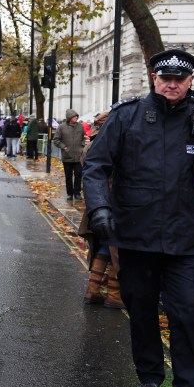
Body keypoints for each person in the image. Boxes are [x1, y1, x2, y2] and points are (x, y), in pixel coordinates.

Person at [83, 48, 194, 387]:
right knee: (142, 310)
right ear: (154, 77)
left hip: (188, 239)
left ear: (190, 82)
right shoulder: (126, 116)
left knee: (188, 313)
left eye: (179, 80)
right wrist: (99, 208)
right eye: (165, 77)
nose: (172, 84)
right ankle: (150, 377)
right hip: (137, 235)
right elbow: (96, 166)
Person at [76, 110, 123, 308]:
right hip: (113, 203)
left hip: (96, 204)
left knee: (103, 247)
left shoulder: (90, 145)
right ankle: (114, 295)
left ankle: (93, 290)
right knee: (117, 251)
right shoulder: (110, 145)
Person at [53, 109, 86, 200]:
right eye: (74, 116)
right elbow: (56, 140)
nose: (76, 117)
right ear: (69, 118)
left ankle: (77, 193)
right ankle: (69, 194)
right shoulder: (61, 127)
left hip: (78, 156)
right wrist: (64, 147)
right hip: (67, 156)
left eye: (76, 116)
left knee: (78, 175)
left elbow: (83, 137)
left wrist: (82, 145)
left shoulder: (80, 126)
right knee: (68, 176)